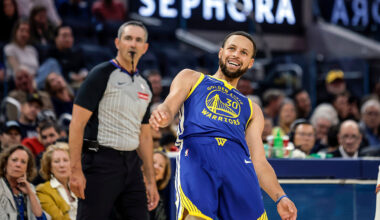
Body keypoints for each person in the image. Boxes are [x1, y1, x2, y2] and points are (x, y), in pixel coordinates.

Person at [150, 31, 297, 220]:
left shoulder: (252, 108)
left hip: (239, 167)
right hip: (199, 157)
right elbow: (170, 104)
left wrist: (280, 197)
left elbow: (259, 162)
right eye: (232, 48)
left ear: (250, 63)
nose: (236, 54)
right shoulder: (192, 78)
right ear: (221, 53)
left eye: (244, 52)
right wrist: (164, 113)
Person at [69, 20, 159, 220]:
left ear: (145, 48)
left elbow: (144, 136)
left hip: (132, 166)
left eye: (138, 40)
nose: (133, 44)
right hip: (100, 161)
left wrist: (151, 180)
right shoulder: (100, 74)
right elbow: (77, 124)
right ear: (118, 43)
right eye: (128, 38)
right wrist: (75, 170)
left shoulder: (145, 85)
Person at [0, 145, 47, 220]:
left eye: (23, 162)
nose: (18, 165)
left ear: (27, 168)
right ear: (5, 163)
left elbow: (40, 218)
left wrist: (30, 193)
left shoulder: (30, 187)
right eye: (14, 160)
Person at [37, 142, 77, 220]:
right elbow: (57, 218)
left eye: (65, 160)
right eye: (56, 161)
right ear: (50, 167)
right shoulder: (43, 190)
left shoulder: (79, 185)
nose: (62, 165)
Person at [148, 151, 172, 220]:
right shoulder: (131, 190)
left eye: (161, 166)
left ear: (163, 175)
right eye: (153, 162)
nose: (156, 167)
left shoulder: (159, 202)